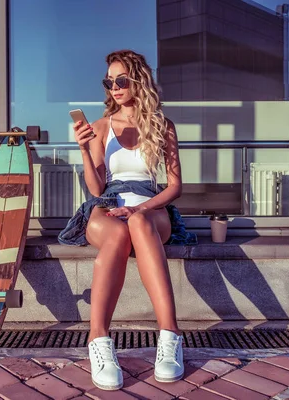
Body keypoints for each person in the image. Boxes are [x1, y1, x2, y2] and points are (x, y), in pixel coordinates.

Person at [58, 49, 196, 391]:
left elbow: (176, 187)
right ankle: (99, 341)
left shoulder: (163, 125)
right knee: (119, 233)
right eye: (109, 81)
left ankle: (170, 337)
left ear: (138, 79)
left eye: (121, 79)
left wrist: (142, 209)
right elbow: (95, 187)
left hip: (151, 209)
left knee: (136, 223)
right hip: (108, 206)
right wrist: (83, 150)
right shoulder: (101, 126)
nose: (114, 86)